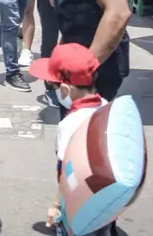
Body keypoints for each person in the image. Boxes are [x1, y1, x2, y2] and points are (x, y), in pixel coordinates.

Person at [29, 43, 109, 236]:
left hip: (78, 203)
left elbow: (67, 172)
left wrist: (56, 205)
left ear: (64, 89)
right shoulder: (106, 106)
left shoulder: (70, 123)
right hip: (106, 200)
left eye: (53, 85)